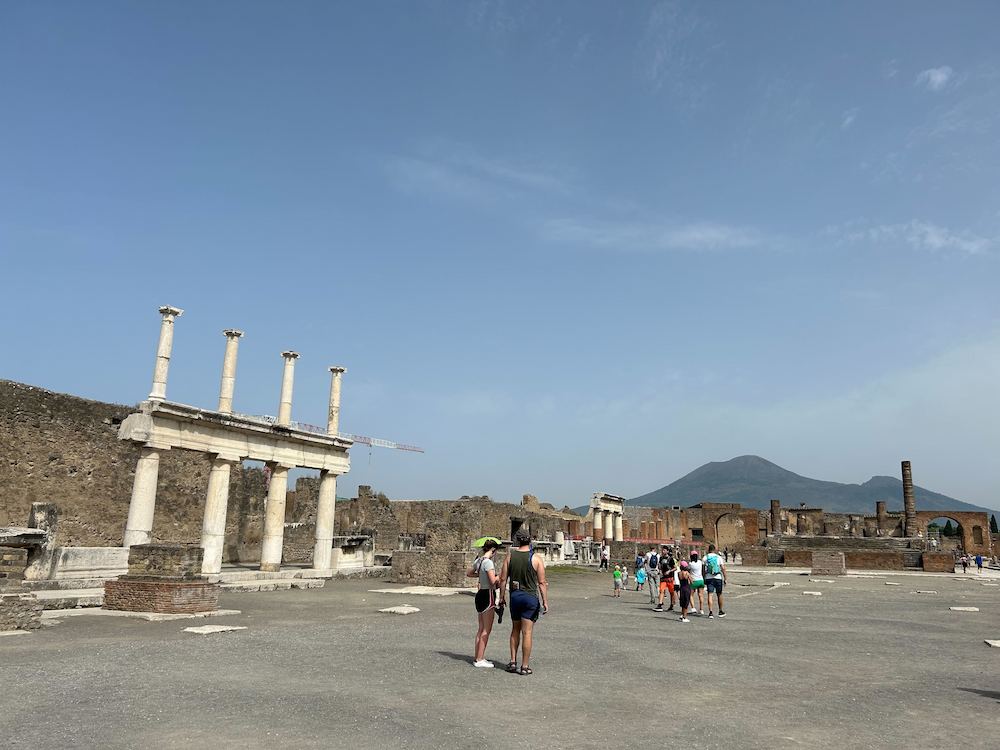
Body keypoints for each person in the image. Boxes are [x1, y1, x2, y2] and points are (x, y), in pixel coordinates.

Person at [498, 527, 548, 676]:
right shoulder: (536, 559)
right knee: (527, 632)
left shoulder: (510, 557)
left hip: (515, 597)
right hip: (530, 598)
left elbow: (502, 579)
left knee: (515, 630)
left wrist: (501, 597)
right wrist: (545, 601)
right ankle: (524, 666)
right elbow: (542, 582)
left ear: (517, 540)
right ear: (530, 540)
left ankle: (513, 662)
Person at [466, 539, 501, 668]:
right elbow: (493, 581)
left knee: (481, 628)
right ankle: (480, 659)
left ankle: (478, 657)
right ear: (492, 550)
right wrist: (500, 575)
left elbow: (469, 573)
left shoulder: (478, 561)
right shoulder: (488, 563)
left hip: (480, 594)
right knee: (487, 629)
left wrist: (481, 576)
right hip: (488, 594)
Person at [703, 544, 727, 618]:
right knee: (719, 594)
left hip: (709, 577)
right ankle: (720, 611)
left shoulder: (705, 557)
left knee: (710, 594)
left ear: (708, 550)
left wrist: (704, 578)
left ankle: (710, 612)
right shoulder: (718, 557)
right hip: (718, 577)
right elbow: (723, 568)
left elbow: (703, 570)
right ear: (714, 549)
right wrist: (725, 578)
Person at [655, 545, 676, 612]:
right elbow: (660, 566)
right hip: (663, 578)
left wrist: (669, 571)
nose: (663, 551)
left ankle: (672, 605)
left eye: (664, 550)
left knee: (671, 592)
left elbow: (675, 568)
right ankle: (660, 604)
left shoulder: (671, 559)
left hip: (670, 578)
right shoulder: (661, 558)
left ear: (667, 551)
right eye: (662, 550)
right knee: (661, 590)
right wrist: (659, 569)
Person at [687, 551, 706, 615]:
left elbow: (688, 571)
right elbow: (703, 570)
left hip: (694, 580)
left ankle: (693, 608)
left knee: (691, 595)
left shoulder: (690, 564)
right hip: (701, 580)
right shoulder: (700, 562)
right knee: (700, 595)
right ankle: (701, 609)